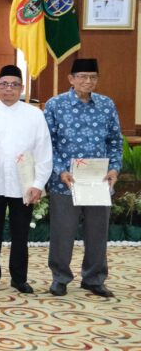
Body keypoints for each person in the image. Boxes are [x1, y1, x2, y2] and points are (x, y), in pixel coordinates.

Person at [44, 57, 122, 298]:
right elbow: (47, 144)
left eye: (93, 77)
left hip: (99, 182)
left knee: (97, 232)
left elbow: (115, 141)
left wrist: (114, 169)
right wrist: (60, 170)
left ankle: (94, 278)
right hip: (66, 182)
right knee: (63, 232)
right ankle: (60, 278)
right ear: (71, 79)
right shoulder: (55, 105)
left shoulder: (106, 105)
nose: (88, 81)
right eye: (82, 77)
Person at [0, 65, 52, 294]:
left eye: (14, 85)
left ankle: (19, 279)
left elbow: (43, 151)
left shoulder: (35, 115)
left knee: (20, 234)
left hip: (23, 185)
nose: (9, 88)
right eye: (4, 84)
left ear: (21, 87)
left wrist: (38, 184)